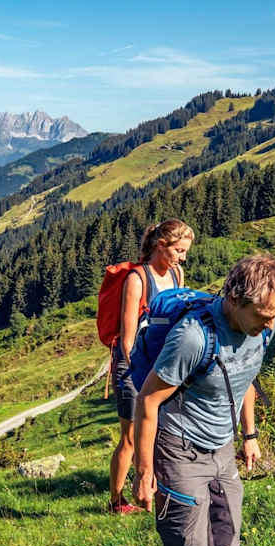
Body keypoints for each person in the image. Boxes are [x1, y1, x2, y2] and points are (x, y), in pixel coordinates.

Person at [114, 254, 275, 546]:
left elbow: (247, 376)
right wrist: (145, 474)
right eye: (263, 315)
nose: (269, 325)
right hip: (179, 452)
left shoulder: (263, 326)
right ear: (234, 297)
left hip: (222, 450)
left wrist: (249, 435)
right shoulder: (194, 338)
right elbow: (148, 400)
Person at [108, 218, 194, 514]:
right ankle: (117, 501)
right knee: (131, 436)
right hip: (134, 365)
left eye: (184, 252)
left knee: (160, 431)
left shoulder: (177, 274)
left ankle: (153, 489)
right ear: (161, 246)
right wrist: (142, 377)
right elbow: (128, 341)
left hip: (162, 363)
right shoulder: (137, 279)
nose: (182, 257)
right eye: (179, 250)